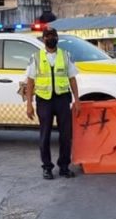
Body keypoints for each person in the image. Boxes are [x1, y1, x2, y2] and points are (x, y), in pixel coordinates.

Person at [25, 28, 80, 180]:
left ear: (57, 38)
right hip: (44, 101)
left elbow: (72, 79)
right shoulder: (36, 57)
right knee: (45, 136)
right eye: (48, 36)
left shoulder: (65, 55)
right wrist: (29, 104)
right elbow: (30, 82)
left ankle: (64, 166)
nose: (51, 38)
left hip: (62, 99)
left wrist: (77, 99)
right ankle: (47, 167)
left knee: (65, 135)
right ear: (43, 39)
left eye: (53, 36)